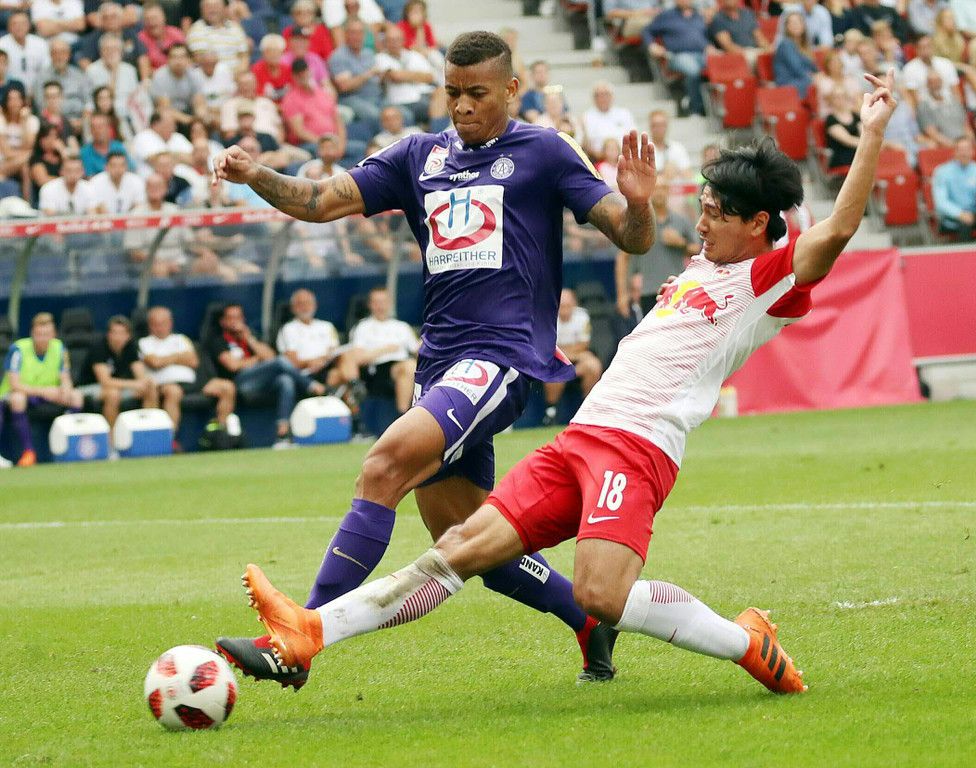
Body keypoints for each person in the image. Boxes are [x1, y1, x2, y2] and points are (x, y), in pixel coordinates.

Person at [237, 71, 903, 699]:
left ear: (756, 224)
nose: (699, 225)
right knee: (460, 548)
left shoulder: (768, 279)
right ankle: (311, 630)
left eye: (714, 214)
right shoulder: (703, 264)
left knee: (601, 595)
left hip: (637, 447)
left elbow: (840, 228)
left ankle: (747, 642)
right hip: (580, 436)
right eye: (700, 209)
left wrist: (870, 131)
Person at [211, 30, 658, 689]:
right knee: (472, 542)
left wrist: (640, 202)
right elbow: (318, 201)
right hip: (439, 366)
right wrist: (256, 176)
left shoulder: (544, 151)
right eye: (452, 92)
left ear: (511, 89)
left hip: (501, 358)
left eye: (477, 93)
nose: (462, 105)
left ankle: (298, 638)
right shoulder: (417, 156)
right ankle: (588, 621)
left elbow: (630, 236)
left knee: (383, 464)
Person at [206, 303, 327, 446]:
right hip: (238, 383)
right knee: (281, 361)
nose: (235, 322)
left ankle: (282, 433)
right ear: (223, 321)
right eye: (231, 318)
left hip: (260, 383)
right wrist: (258, 359)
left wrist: (249, 339)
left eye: (238, 317)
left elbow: (270, 357)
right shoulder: (218, 339)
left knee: (285, 380)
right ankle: (311, 385)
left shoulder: (250, 336)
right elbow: (233, 366)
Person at [139, 305, 235, 447]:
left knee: (227, 387)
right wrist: (179, 356)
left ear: (170, 323)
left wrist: (166, 359)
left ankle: (220, 434)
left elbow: (193, 361)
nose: (160, 328)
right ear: (150, 325)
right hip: (166, 385)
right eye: (156, 324)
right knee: (174, 391)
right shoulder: (144, 342)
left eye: (163, 323)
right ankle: (169, 440)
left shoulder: (181, 339)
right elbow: (155, 362)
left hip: (194, 383)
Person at [0, 312, 83, 468]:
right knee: (18, 399)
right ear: (32, 334)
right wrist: (44, 392)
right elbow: (15, 384)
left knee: (76, 396)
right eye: (39, 335)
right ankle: (28, 452)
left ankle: (67, 445)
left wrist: (65, 389)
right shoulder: (18, 349)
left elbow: (65, 377)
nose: (42, 339)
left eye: (46, 335)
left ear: (53, 334)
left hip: (49, 393)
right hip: (23, 393)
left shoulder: (60, 347)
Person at [616, 181, 699, 317]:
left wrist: (681, 243)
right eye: (655, 188)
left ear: (669, 191)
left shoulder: (681, 221)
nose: (659, 192)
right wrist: (622, 295)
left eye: (663, 188)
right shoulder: (639, 222)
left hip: (676, 290)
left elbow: (698, 251)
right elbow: (623, 257)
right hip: (648, 292)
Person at [347, 286, 419, 414]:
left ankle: (404, 414)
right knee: (409, 366)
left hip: (402, 364)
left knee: (411, 367)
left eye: (383, 302)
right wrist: (385, 350)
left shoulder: (402, 326)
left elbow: (417, 351)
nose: (380, 306)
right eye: (376, 302)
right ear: (370, 305)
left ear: (390, 303)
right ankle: (404, 416)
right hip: (376, 370)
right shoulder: (363, 327)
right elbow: (357, 358)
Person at [77, 314, 157, 429]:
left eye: (122, 333)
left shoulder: (131, 347)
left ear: (128, 336)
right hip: (90, 387)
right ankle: (111, 436)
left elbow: (141, 376)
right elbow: (105, 382)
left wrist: (145, 383)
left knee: (150, 387)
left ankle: (148, 430)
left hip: (120, 387)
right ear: (108, 334)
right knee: (113, 394)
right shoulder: (99, 348)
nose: (117, 337)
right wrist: (135, 384)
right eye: (114, 333)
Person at [542, 288, 602, 426]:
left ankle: (588, 410)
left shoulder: (582, 316)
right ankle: (551, 413)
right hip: (555, 361)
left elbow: (583, 345)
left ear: (574, 304)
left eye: (568, 306)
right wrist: (570, 353)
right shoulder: (548, 318)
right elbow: (547, 348)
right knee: (554, 369)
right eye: (562, 306)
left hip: (575, 360)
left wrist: (564, 351)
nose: (565, 310)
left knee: (593, 365)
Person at [277, 288, 357, 391]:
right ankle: (354, 388)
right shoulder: (288, 329)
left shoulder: (327, 326)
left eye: (308, 303)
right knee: (338, 377)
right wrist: (310, 362)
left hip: (327, 366)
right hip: (306, 373)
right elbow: (291, 362)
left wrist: (323, 360)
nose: (305, 307)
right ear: (293, 308)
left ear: (315, 305)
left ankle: (354, 386)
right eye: (300, 304)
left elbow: (334, 351)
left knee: (346, 358)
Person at [643, 0, 710, 117]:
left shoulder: (699, 15)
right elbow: (647, 31)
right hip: (677, 56)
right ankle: (696, 110)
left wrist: (710, 47)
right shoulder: (667, 15)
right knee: (693, 70)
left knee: (722, 67)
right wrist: (652, 46)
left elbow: (705, 37)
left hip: (702, 54)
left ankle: (719, 109)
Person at [932, 135, 976, 241]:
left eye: (967, 149)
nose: (964, 153)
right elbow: (940, 202)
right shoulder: (942, 172)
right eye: (960, 150)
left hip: (974, 213)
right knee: (965, 222)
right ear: (954, 152)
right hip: (950, 216)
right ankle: (966, 251)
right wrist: (959, 213)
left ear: (973, 152)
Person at [328, 18, 383, 126]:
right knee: (379, 117)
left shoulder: (368, 53)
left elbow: (378, 79)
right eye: (353, 32)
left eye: (360, 32)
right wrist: (368, 74)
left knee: (402, 114)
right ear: (346, 34)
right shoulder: (338, 56)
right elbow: (344, 86)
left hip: (376, 96)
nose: (357, 36)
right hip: (352, 99)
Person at [34, 38, 89, 129]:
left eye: (63, 52)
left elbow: (88, 102)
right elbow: (41, 105)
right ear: (50, 55)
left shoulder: (79, 75)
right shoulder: (41, 78)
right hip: (52, 124)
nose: (59, 56)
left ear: (69, 55)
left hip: (79, 122)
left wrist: (82, 121)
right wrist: (65, 122)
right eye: (55, 53)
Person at [149, 43, 206, 127]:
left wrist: (200, 118)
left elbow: (199, 102)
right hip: (167, 116)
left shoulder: (194, 75)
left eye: (182, 57)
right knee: (166, 118)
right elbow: (165, 108)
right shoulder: (160, 76)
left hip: (189, 112)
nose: (178, 61)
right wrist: (190, 120)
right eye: (174, 57)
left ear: (189, 59)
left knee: (205, 122)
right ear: (168, 60)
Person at [185, 0, 248, 71]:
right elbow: (200, 61)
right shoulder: (196, 30)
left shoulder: (235, 28)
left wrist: (239, 73)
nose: (212, 10)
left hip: (237, 74)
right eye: (208, 6)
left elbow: (244, 57)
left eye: (216, 6)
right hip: (210, 75)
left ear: (225, 8)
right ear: (201, 10)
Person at [916, 71, 974, 148]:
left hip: (964, 144)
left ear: (942, 82)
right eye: (931, 82)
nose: (935, 85)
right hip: (946, 147)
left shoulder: (955, 101)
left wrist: (969, 142)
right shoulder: (923, 106)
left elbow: (966, 127)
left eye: (938, 81)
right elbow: (932, 133)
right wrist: (956, 146)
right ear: (927, 85)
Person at [581, 81, 636, 159]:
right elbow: (586, 145)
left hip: (624, 157)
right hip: (597, 160)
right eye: (598, 95)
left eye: (606, 94)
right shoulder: (586, 117)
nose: (602, 98)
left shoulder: (624, 114)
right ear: (593, 98)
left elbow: (634, 138)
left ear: (612, 96)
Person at [901, 35, 960, 107]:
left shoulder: (947, 64)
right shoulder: (909, 69)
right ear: (916, 49)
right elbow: (915, 100)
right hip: (926, 109)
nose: (926, 51)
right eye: (922, 47)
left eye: (928, 46)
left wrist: (958, 109)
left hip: (950, 106)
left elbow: (956, 93)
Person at [708, 0, 768, 69]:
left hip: (755, 50)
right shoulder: (717, 19)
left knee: (773, 56)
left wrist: (768, 49)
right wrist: (748, 53)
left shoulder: (747, 13)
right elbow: (728, 46)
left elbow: (759, 37)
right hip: (737, 56)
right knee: (757, 60)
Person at [0, 12, 49, 94]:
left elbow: (46, 69)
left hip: (37, 90)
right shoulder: (1, 45)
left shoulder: (40, 43)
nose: (19, 27)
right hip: (9, 92)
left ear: (29, 25)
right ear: (8, 27)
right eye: (15, 24)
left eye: (23, 23)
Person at [773, 11, 817, 100]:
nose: (795, 25)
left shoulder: (805, 46)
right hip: (789, 84)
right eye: (792, 23)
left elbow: (814, 67)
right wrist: (814, 78)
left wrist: (821, 75)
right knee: (820, 85)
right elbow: (797, 68)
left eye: (798, 22)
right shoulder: (785, 44)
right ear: (787, 27)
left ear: (803, 25)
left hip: (803, 80)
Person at [137, 1, 186, 72]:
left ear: (164, 18)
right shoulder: (141, 38)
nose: (151, 22)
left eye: (154, 18)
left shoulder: (176, 33)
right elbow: (145, 69)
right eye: (147, 19)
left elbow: (187, 60)